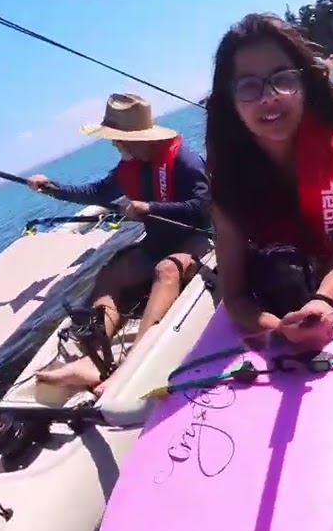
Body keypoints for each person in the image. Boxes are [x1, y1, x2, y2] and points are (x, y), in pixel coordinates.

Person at [205, 13, 333, 352]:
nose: (269, 97)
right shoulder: (225, 184)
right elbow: (236, 295)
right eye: (249, 85)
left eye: (281, 79)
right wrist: (281, 329)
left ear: (304, 84)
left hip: (325, 263)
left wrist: (324, 302)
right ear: (230, 101)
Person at [27, 92, 212, 392]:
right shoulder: (130, 167)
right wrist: (52, 188)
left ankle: (132, 364)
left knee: (166, 270)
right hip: (158, 241)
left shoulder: (184, 162)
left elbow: (204, 207)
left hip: (196, 241)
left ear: (136, 138)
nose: (113, 143)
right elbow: (97, 192)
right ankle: (95, 359)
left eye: (117, 138)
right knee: (114, 272)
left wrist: (151, 208)